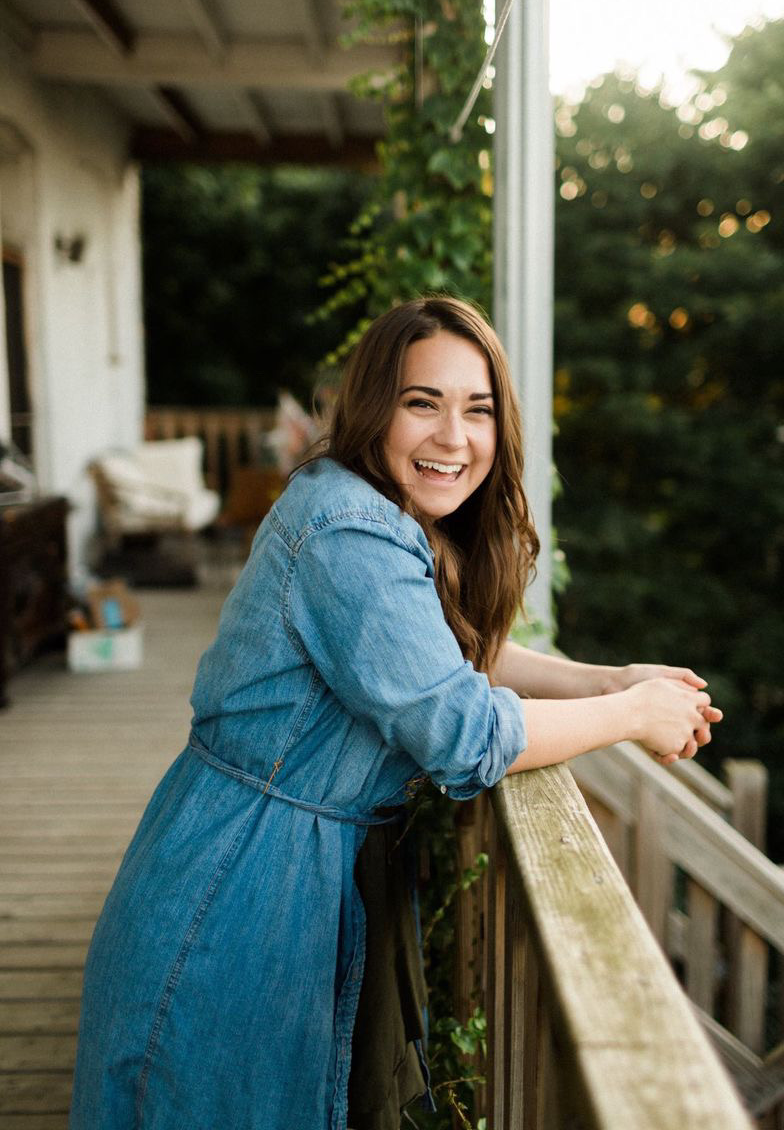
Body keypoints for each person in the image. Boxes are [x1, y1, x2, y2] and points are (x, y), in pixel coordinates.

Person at [70, 296, 720, 1130]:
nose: (454, 437)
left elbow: (437, 656)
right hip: (238, 884)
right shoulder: (347, 529)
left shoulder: (369, 511)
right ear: (376, 407)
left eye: (476, 410)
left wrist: (602, 681)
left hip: (272, 861)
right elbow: (464, 734)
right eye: (424, 403)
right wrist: (632, 715)